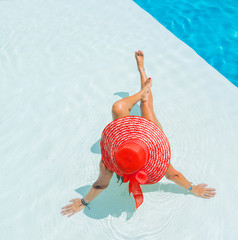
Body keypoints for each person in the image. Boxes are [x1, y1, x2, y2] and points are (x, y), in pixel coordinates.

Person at [61, 50, 216, 217]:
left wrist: (84, 202)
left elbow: (100, 185)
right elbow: (174, 175)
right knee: (146, 105)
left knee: (122, 107)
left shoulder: (107, 164)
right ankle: (143, 88)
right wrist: (193, 189)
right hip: (149, 139)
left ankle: (141, 75)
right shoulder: (155, 153)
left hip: (133, 139)